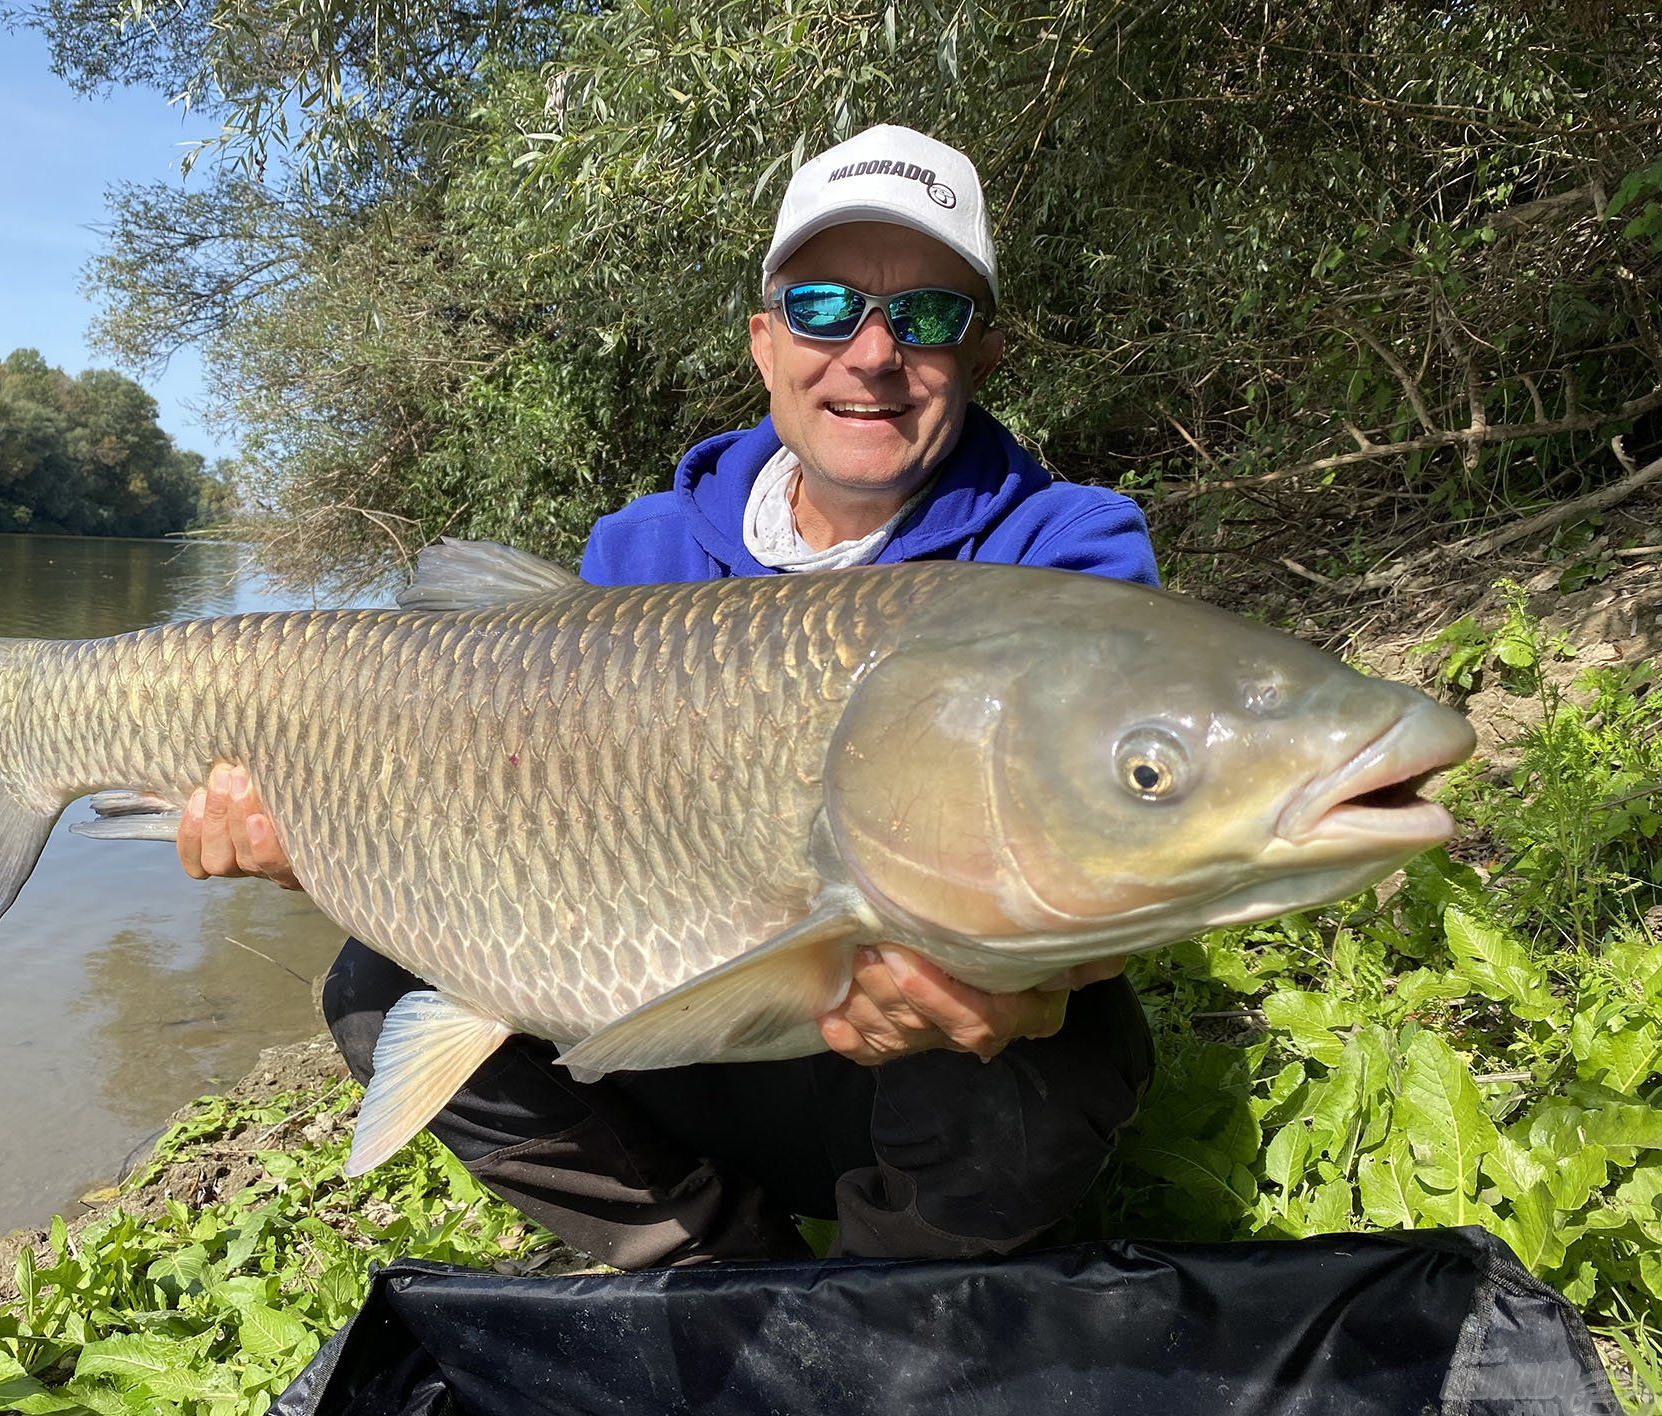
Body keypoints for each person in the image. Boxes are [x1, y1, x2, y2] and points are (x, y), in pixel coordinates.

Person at [180, 125, 1159, 1267]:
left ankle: (888, 1284)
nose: (874, 352)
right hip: (677, 1037)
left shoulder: (1061, 551)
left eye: (929, 315)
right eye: (826, 307)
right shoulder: (639, 552)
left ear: (980, 355)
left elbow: (1116, 835)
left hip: (920, 1077)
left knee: (1059, 1035)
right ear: (766, 342)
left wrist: (1037, 985)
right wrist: (337, 824)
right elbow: (526, 832)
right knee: (371, 984)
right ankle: (707, 1266)